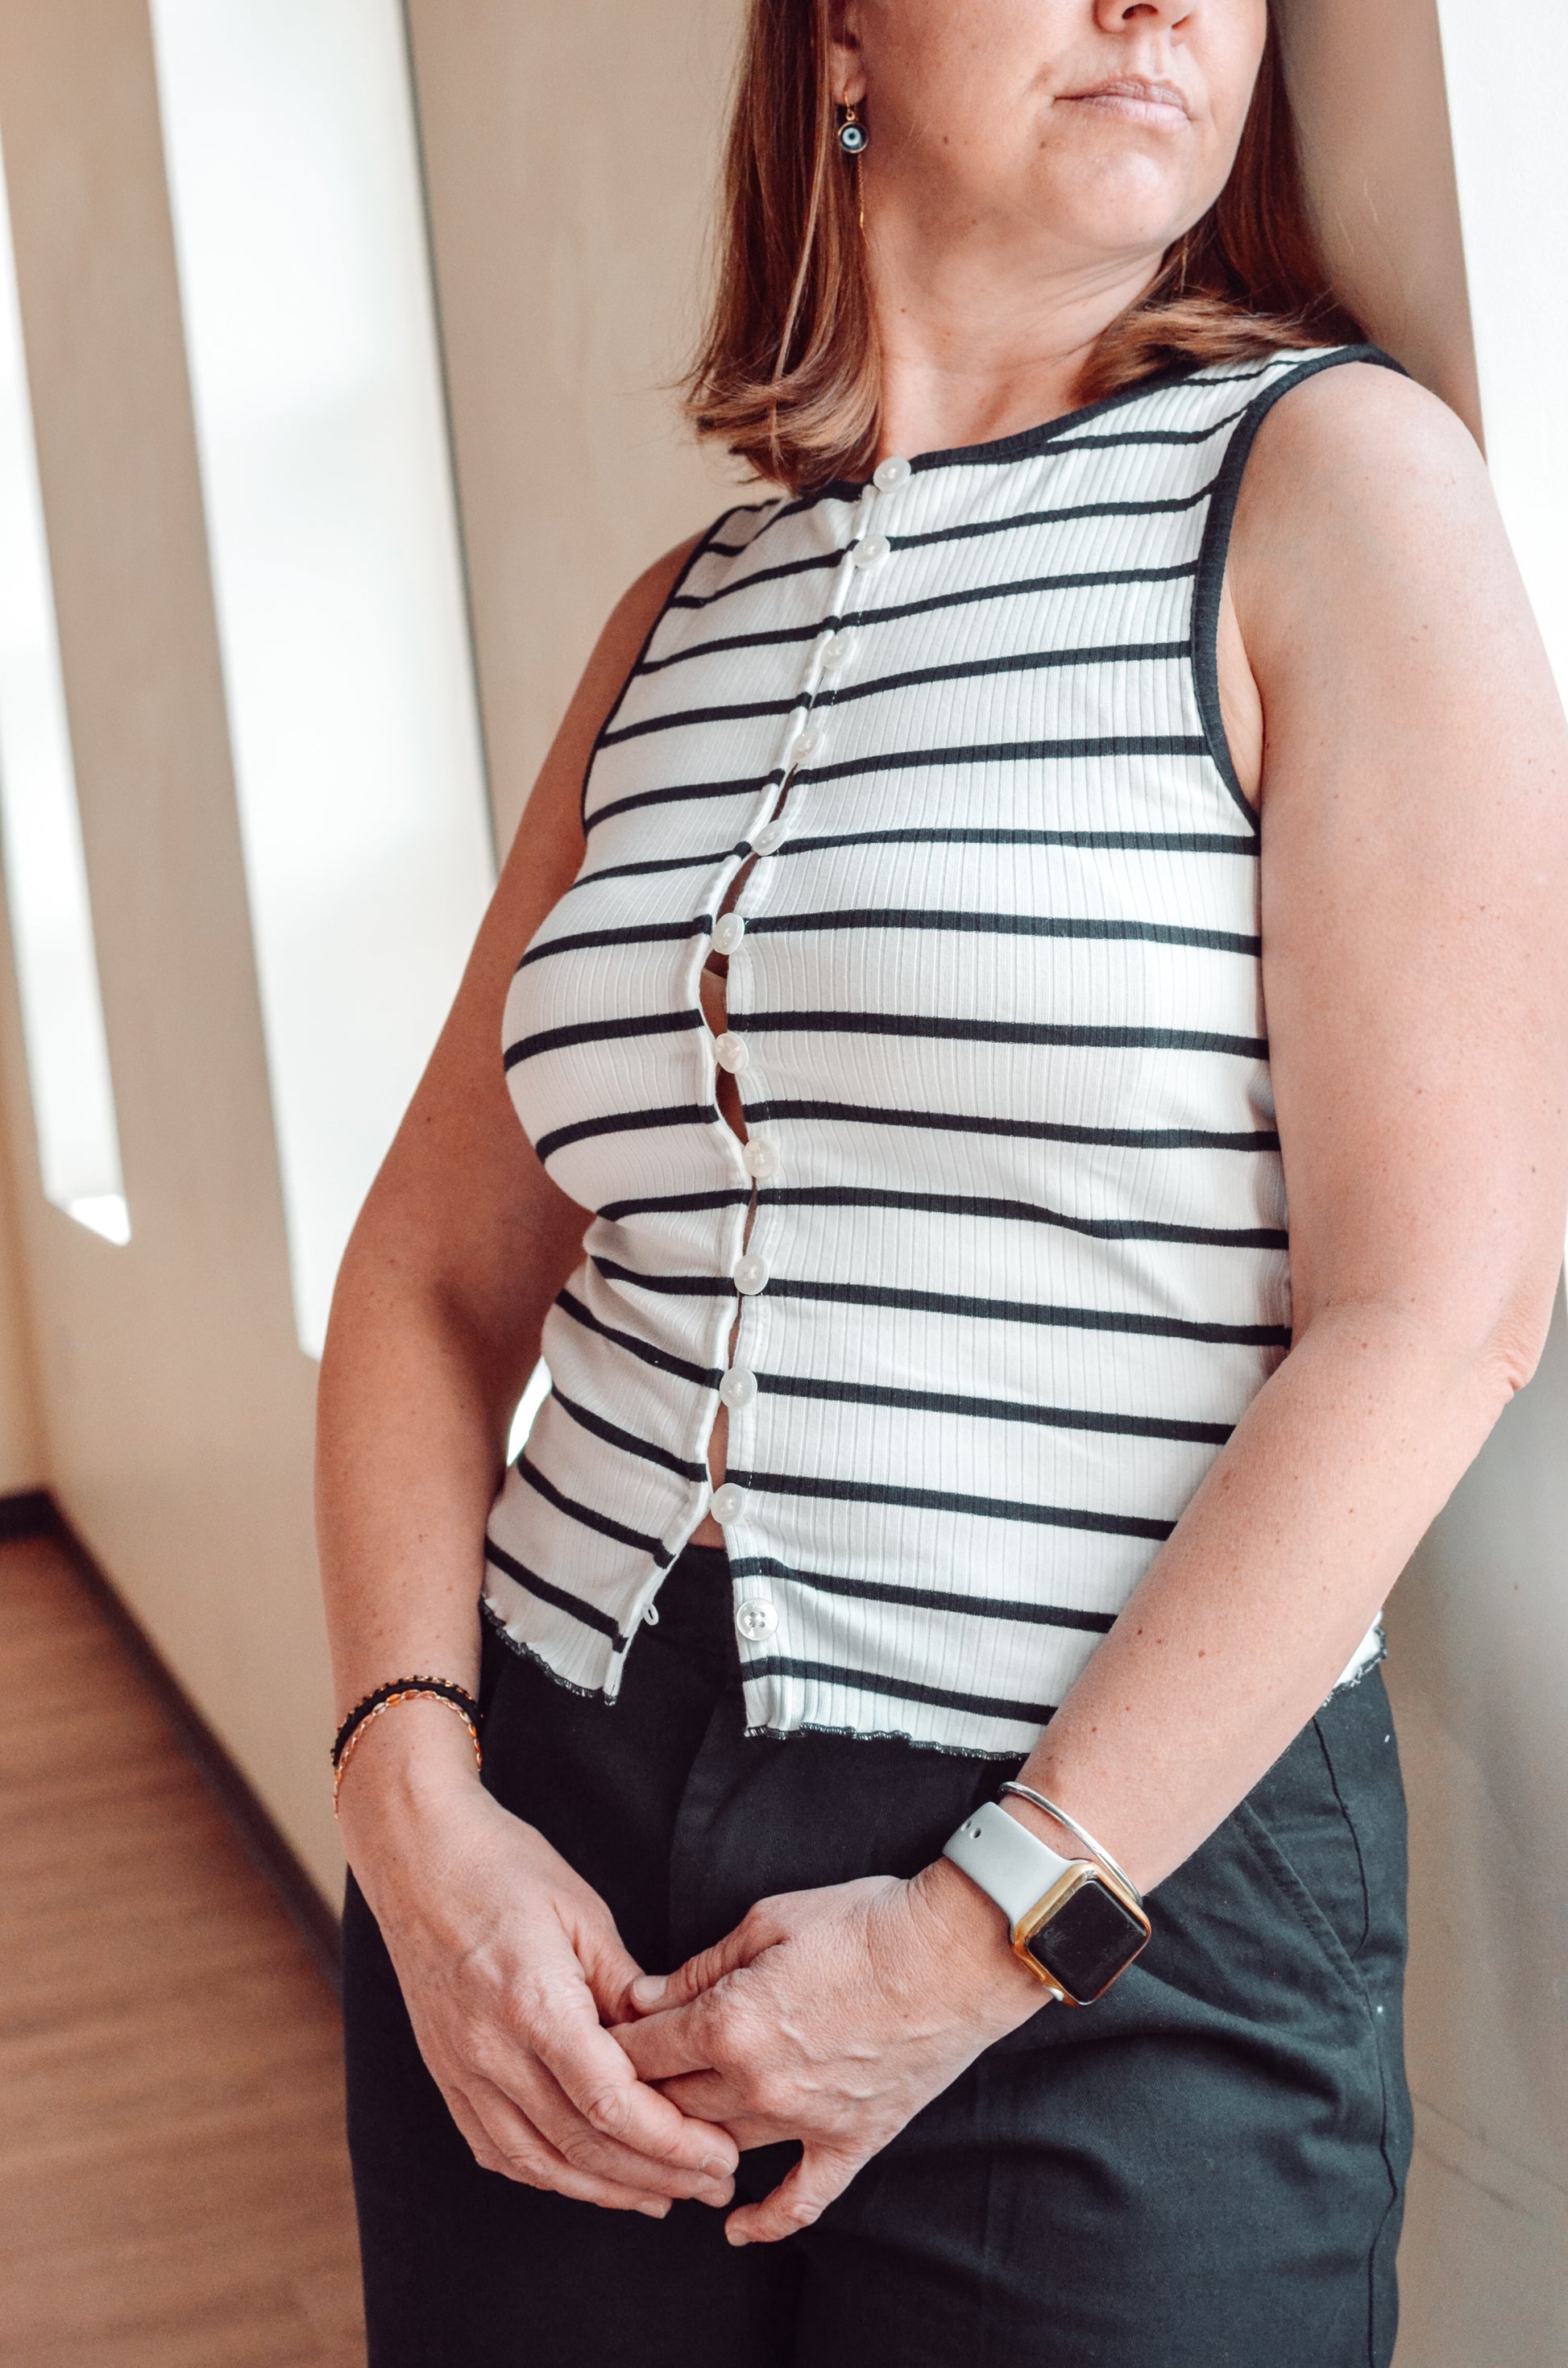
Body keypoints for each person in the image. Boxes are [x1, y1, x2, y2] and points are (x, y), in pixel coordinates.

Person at [316, 2, 1568, 2362]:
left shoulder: (1333, 486)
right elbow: (427, 1270)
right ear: (842, 33)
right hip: (542, 1866)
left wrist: (980, 1932)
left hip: (1109, 1900)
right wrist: (413, 1800)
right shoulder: (677, 619)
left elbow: (1443, 1307)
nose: (1159, 1)